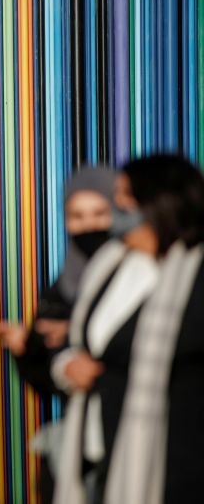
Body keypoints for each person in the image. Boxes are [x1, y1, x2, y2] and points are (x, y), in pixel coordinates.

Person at [52, 155, 204, 504]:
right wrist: (67, 365)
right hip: (99, 449)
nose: (115, 205)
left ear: (159, 202)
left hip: (175, 460)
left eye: (125, 196)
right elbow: (81, 342)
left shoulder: (193, 272)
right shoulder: (110, 263)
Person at [0, 167, 115, 501]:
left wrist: (76, 335)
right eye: (77, 216)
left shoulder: (145, 274)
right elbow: (48, 381)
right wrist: (25, 345)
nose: (89, 226)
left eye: (100, 213)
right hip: (79, 440)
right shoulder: (62, 286)